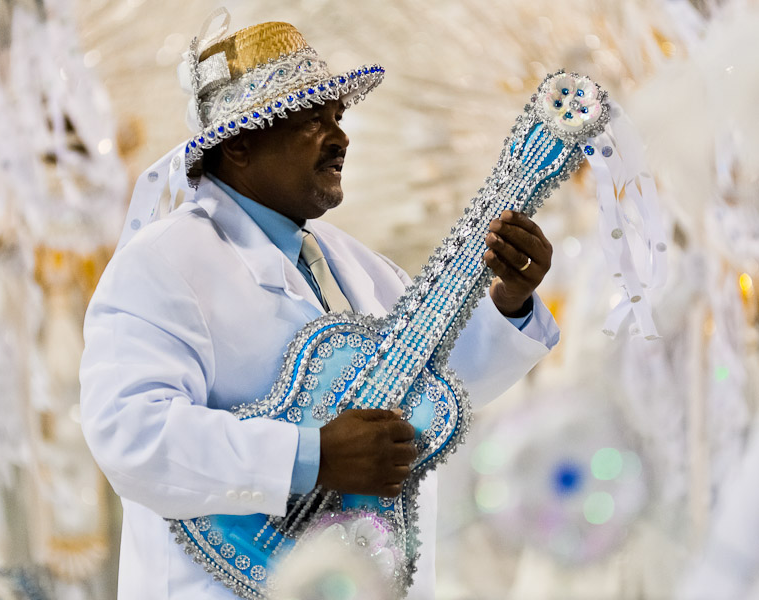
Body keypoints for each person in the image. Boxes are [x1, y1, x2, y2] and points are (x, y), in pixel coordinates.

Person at [79, 14, 560, 600]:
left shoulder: (359, 266)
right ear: (241, 145)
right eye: (312, 118)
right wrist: (310, 456)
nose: (341, 136)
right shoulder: (161, 263)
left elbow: (435, 390)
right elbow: (131, 436)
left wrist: (510, 300)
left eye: (338, 116)